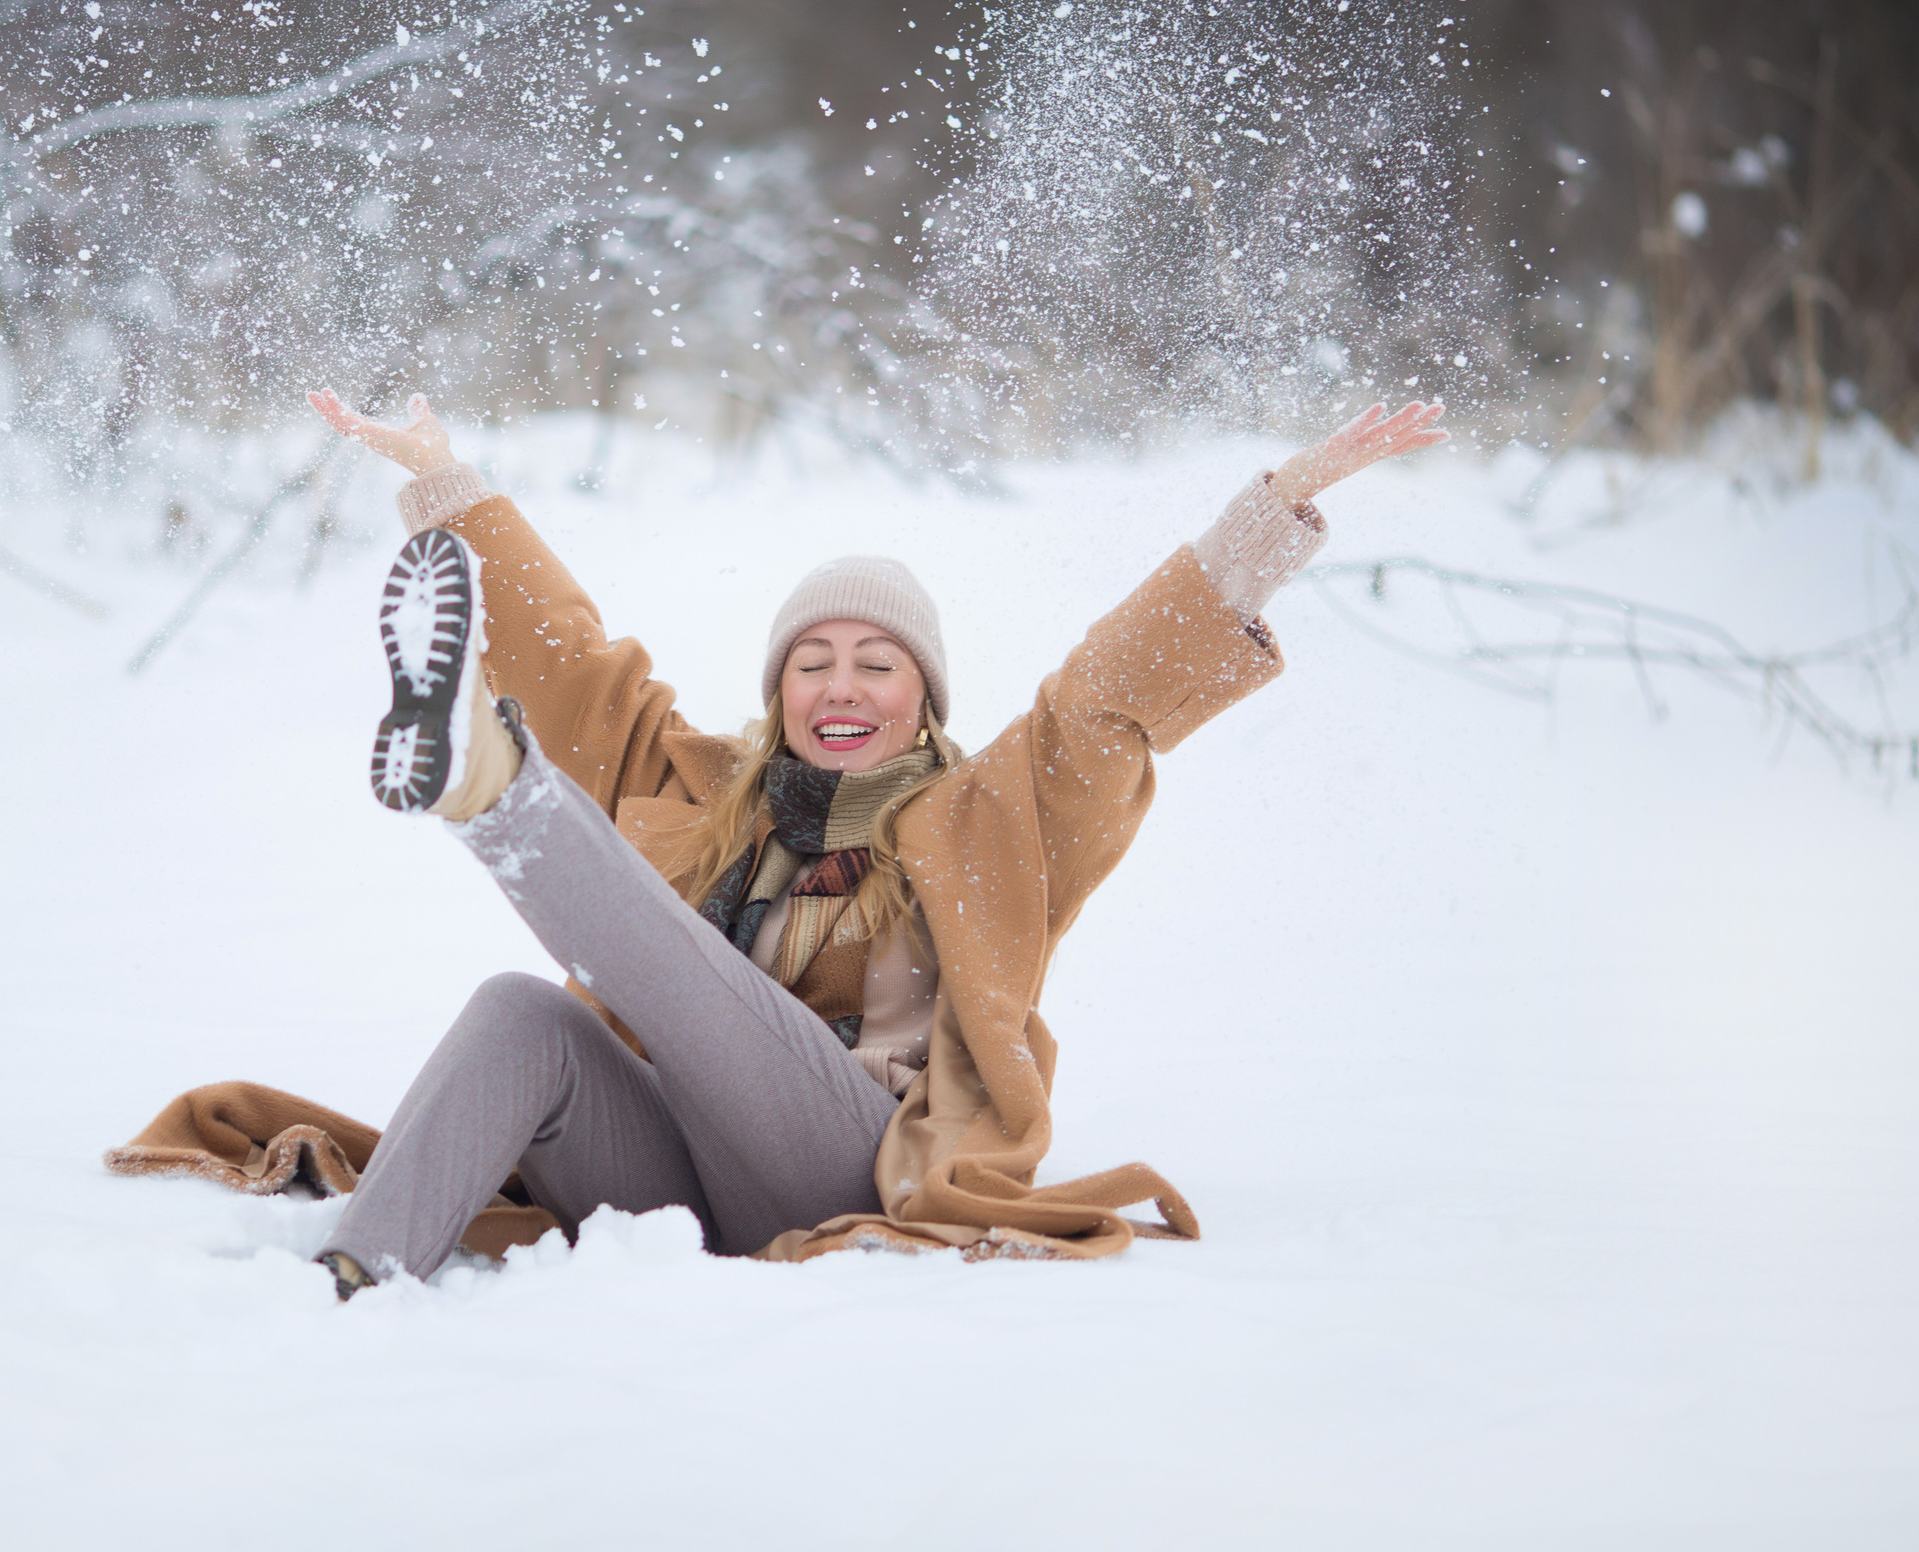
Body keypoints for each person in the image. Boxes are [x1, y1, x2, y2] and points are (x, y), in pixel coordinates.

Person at [302, 387, 1445, 1297]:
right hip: (676, 1189)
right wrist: (448, 486)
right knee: (521, 1012)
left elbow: (1106, 695)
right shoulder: (707, 795)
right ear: (781, 688)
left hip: (859, 1168)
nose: (840, 686)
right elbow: (573, 671)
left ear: (924, 695)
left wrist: (1273, 514)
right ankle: (356, 1278)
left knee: (682, 973)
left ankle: (493, 796)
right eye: (812, 662)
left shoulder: (991, 821)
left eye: (875, 662)